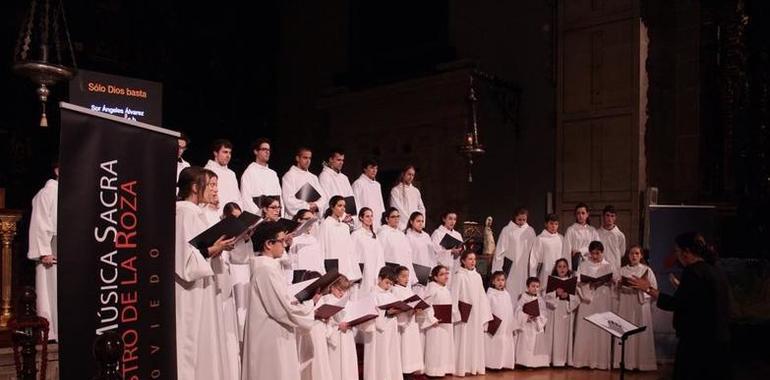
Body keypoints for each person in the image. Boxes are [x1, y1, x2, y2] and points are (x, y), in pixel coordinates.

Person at [629, 232, 732, 380]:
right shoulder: (715, 268)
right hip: (719, 340)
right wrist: (680, 287)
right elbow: (703, 300)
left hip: (697, 342)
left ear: (687, 252)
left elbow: (676, 304)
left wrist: (648, 289)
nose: (677, 256)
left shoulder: (693, 271)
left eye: (677, 251)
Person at [174, 167, 237, 380]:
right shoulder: (184, 211)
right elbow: (184, 259)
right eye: (209, 184)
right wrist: (213, 249)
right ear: (194, 187)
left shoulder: (194, 212)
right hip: (190, 290)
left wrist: (217, 248)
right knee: (192, 341)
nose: (213, 189)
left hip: (202, 287)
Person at [240, 221, 316, 380]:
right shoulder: (265, 270)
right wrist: (311, 303)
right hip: (270, 336)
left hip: (275, 332)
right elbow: (282, 310)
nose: (285, 244)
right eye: (281, 241)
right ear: (268, 244)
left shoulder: (270, 267)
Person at [572, 241, 616, 369]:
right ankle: (583, 360)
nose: (595, 256)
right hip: (588, 300)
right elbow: (578, 281)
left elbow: (615, 282)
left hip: (602, 299)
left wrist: (611, 282)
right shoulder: (584, 265)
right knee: (586, 327)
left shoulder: (608, 266)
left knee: (601, 327)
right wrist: (587, 283)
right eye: (593, 253)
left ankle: (601, 362)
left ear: (603, 252)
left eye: (598, 253)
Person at [27, 163, 59, 341]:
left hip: (66, 250)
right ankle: (51, 332)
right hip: (51, 252)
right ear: (57, 170)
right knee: (50, 292)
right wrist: (44, 251)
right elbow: (40, 222)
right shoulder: (47, 193)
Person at [615, 245, 657, 371]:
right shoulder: (622, 270)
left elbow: (653, 289)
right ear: (628, 256)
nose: (634, 256)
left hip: (640, 304)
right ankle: (625, 363)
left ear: (641, 256)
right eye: (632, 253)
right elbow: (615, 289)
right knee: (626, 330)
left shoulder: (647, 270)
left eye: (637, 253)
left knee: (640, 331)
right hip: (626, 303)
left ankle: (642, 364)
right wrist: (619, 285)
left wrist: (642, 288)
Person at [451, 251, 493, 376]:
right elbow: (454, 296)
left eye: (474, 259)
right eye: (470, 259)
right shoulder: (459, 275)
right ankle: (462, 368)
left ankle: (474, 366)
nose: (473, 261)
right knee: (463, 340)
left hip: (476, 315)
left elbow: (482, 296)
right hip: (464, 314)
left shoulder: (477, 276)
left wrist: (484, 313)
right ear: (463, 261)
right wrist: (456, 313)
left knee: (475, 340)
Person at [364, 266, 404, 380]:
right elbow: (371, 315)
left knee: (390, 356)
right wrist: (387, 312)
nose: (388, 286)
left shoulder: (390, 294)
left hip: (390, 330)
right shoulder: (372, 294)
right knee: (379, 358)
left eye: (391, 283)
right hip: (378, 333)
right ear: (379, 279)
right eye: (386, 282)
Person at [493, 207, 538, 305]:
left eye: (524, 220)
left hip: (525, 269)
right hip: (511, 269)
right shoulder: (507, 230)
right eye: (519, 219)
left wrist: (533, 272)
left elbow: (534, 252)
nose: (522, 222)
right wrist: (497, 271)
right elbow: (500, 252)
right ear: (515, 218)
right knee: (511, 295)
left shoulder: (530, 231)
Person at [318, 275, 358, 380]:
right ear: (332, 287)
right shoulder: (325, 300)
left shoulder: (347, 301)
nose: (342, 293)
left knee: (348, 366)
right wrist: (338, 327)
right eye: (340, 290)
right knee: (336, 366)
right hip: (335, 338)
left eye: (344, 291)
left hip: (347, 337)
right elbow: (324, 322)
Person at [543, 258, 580, 367]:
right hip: (554, 310)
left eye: (564, 266)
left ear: (568, 268)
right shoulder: (551, 280)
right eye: (559, 266)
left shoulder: (572, 281)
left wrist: (568, 296)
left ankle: (563, 360)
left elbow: (577, 299)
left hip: (565, 310)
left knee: (564, 336)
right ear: (556, 268)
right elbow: (545, 297)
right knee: (553, 334)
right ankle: (551, 359)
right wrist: (555, 293)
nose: (562, 269)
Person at [391, 266, 425, 377]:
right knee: (404, 350)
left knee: (412, 350)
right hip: (403, 326)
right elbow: (395, 308)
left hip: (411, 324)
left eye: (407, 276)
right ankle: (404, 373)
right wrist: (406, 309)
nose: (406, 279)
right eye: (403, 276)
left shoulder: (409, 290)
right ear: (396, 277)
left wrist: (416, 309)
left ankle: (410, 371)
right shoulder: (394, 290)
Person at [421, 265, 455, 377]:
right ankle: (433, 371)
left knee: (445, 346)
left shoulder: (446, 289)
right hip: (436, 324)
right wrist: (432, 319)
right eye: (442, 274)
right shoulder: (432, 288)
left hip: (446, 323)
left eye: (446, 273)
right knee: (435, 347)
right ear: (435, 277)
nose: (446, 276)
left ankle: (444, 369)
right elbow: (427, 305)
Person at [318, 196, 362, 282]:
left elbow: (350, 250)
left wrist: (354, 270)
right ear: (332, 207)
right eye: (339, 205)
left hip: (346, 267)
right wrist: (323, 270)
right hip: (332, 266)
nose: (343, 209)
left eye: (344, 206)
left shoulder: (345, 227)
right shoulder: (326, 225)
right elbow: (321, 248)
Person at [282, 147, 328, 219]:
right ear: (297, 158)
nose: (308, 161)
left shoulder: (313, 177)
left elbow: (323, 197)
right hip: (297, 218)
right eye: (305, 158)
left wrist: (316, 204)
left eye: (309, 158)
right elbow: (288, 200)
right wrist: (307, 206)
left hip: (312, 216)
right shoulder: (289, 176)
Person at [240, 138, 282, 216]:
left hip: (274, 217)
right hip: (258, 217)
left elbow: (280, 198)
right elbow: (245, 199)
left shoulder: (273, 174)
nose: (267, 152)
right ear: (256, 151)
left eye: (269, 150)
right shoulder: (249, 173)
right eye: (264, 149)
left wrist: (278, 214)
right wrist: (261, 214)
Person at [484, 271, 516, 370]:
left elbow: (510, 309)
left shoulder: (507, 294)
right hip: (495, 324)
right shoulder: (490, 294)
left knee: (504, 342)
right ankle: (492, 364)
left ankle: (504, 363)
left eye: (502, 280)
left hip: (506, 325)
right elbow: (486, 309)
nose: (500, 282)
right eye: (498, 280)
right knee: (495, 343)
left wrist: (511, 324)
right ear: (493, 282)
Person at [514, 277, 549, 368]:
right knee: (524, 344)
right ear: (528, 287)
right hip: (526, 325)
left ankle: (534, 363)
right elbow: (518, 310)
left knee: (534, 345)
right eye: (533, 286)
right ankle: (523, 362)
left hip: (535, 325)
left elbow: (544, 312)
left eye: (537, 286)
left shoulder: (540, 299)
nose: (535, 288)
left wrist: (537, 317)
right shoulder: (523, 297)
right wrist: (526, 316)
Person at [378, 207, 416, 285]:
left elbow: (408, 255)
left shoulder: (401, 234)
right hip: (392, 274)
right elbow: (380, 255)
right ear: (386, 219)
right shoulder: (383, 234)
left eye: (398, 216)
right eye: (393, 217)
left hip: (404, 274)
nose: (396, 219)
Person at [352, 207, 385, 295]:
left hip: (375, 271)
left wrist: (380, 272)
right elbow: (351, 254)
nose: (370, 219)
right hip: (363, 272)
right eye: (367, 216)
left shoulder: (375, 236)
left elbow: (380, 256)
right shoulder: (356, 234)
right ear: (361, 218)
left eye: (371, 216)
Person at [529, 213, 566, 291]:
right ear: (546, 224)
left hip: (559, 274)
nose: (553, 226)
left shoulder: (561, 238)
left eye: (556, 224)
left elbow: (565, 257)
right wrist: (533, 278)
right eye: (551, 223)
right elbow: (534, 259)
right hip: (545, 274)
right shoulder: (540, 239)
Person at [204, 139, 241, 212]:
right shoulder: (207, 171)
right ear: (215, 153)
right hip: (215, 214)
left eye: (230, 153)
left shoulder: (231, 174)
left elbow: (237, 197)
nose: (228, 156)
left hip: (233, 216)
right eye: (225, 152)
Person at [563, 202, 600, 270]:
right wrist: (568, 269)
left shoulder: (592, 230)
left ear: (587, 214)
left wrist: (580, 251)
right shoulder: (571, 230)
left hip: (590, 265)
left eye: (583, 213)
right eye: (578, 213)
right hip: (576, 265)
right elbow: (566, 251)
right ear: (575, 215)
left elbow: (597, 248)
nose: (580, 215)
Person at [351, 157, 385, 230]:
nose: (374, 171)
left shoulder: (377, 185)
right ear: (365, 169)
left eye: (376, 168)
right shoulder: (358, 184)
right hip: (364, 222)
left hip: (377, 221)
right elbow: (356, 205)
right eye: (372, 168)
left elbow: (380, 204)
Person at [319, 148, 355, 214]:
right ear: (331, 160)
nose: (341, 163)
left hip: (346, 216)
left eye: (342, 160)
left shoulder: (344, 178)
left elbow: (350, 198)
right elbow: (326, 199)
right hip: (333, 216)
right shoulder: (324, 176)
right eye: (338, 160)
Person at [389, 164, 426, 230]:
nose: (411, 177)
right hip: (402, 225)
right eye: (409, 174)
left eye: (413, 175)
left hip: (415, 225)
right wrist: (411, 221)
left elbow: (421, 208)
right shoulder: (396, 190)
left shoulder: (416, 191)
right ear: (403, 174)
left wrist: (420, 222)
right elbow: (397, 208)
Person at [596, 205, 626, 273]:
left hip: (615, 269)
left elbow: (622, 253)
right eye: (607, 215)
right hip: (599, 269)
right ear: (603, 216)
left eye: (612, 216)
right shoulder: (596, 234)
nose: (610, 218)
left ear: (615, 218)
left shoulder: (620, 235)